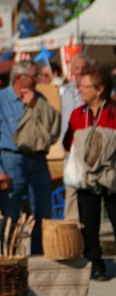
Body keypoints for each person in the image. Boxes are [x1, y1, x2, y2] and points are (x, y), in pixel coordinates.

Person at [0, 60, 60, 255]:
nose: (38, 80)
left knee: (43, 212)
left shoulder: (39, 98)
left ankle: (40, 256)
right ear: (19, 78)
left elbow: (53, 127)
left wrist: (35, 104)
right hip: (11, 161)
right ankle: (10, 258)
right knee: (11, 214)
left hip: (38, 160)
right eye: (34, 76)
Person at [62, 66, 116, 281]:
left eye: (84, 86)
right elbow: (67, 142)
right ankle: (95, 264)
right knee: (88, 223)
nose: (80, 90)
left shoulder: (114, 112)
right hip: (86, 178)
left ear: (100, 89)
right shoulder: (79, 114)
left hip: (112, 177)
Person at [60, 55, 91, 221]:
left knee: (87, 191)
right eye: (77, 68)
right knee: (71, 187)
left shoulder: (90, 91)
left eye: (83, 68)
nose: (80, 71)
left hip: (86, 147)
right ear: (71, 70)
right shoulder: (65, 91)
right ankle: (71, 227)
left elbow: (85, 112)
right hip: (69, 147)